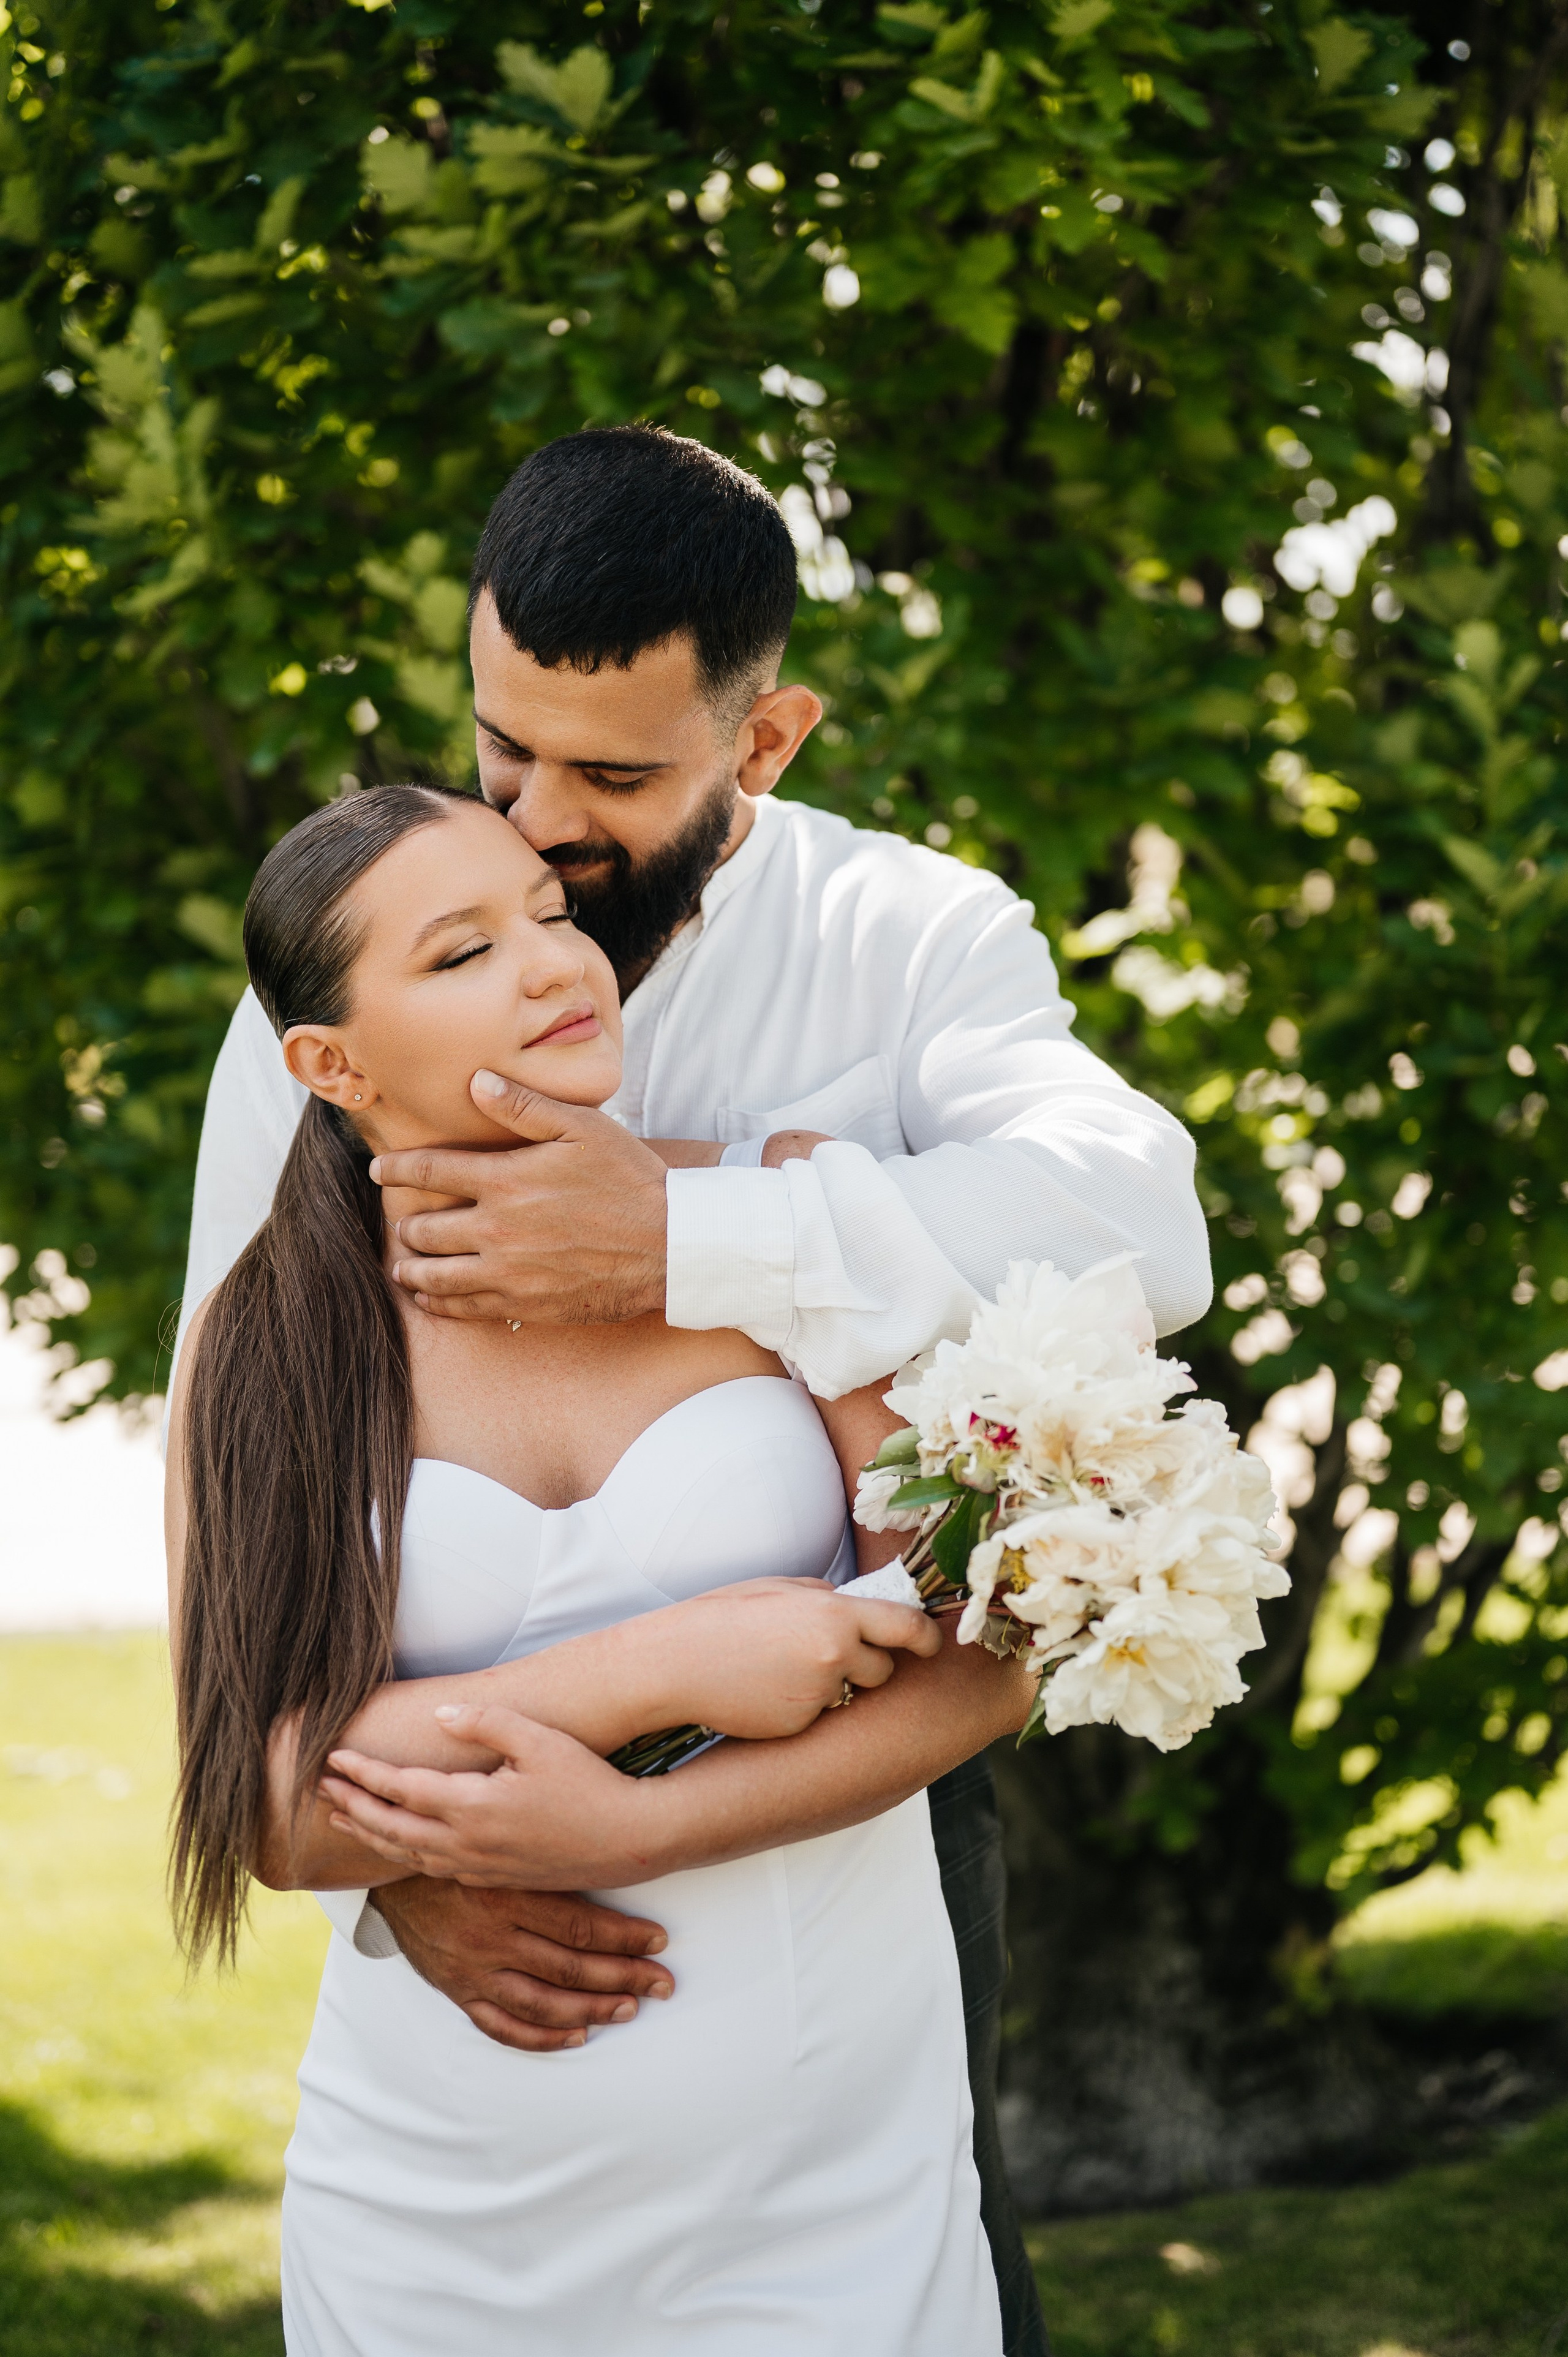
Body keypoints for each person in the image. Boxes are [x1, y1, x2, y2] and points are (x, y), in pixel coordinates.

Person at [177, 426, 1212, 2355]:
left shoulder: (909, 940)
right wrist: (415, 1865)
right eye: (505, 750)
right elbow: (242, 1578)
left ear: (769, 739)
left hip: (848, 1888)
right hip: (445, 1991)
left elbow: (1138, 1222)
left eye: (615, 780)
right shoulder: (324, 1022)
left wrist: (690, 1239)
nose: (542, 830)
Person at [168, 782, 1033, 2353]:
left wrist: (636, 1822)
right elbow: (266, 1800)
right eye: (463, 951)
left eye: (551, 914)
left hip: (829, 2191)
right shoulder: (269, 1337)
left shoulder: (776, 1213)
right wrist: (655, 1669)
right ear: (330, 1066)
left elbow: (980, 1663)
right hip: (438, 2221)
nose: (554, 963)